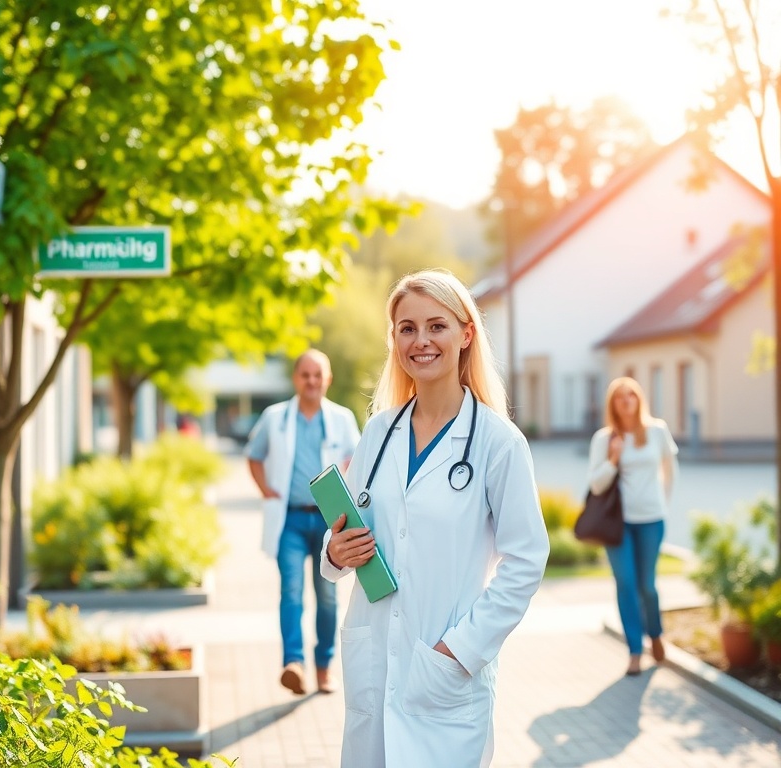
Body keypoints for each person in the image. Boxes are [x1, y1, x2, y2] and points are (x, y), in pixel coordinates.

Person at [321, 269, 549, 767]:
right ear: (395, 340)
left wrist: (460, 648)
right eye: (407, 328)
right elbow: (351, 529)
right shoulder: (379, 432)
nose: (420, 341)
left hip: (445, 673)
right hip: (376, 661)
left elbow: (526, 561)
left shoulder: (498, 443)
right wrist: (334, 552)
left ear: (466, 334)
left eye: (436, 326)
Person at [245, 349, 361, 695]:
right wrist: (267, 491)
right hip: (291, 520)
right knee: (291, 592)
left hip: (331, 522)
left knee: (327, 597)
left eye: (317, 375)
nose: (311, 381)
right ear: (296, 379)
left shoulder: (341, 418)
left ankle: (324, 668)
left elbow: (357, 460)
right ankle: (293, 664)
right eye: (305, 375)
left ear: (327, 380)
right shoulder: (275, 417)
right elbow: (254, 456)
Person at [587, 376, 678, 677]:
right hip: (618, 525)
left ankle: (656, 634)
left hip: (652, 520)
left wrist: (662, 503)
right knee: (626, 583)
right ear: (612, 403)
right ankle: (635, 651)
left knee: (647, 587)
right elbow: (597, 486)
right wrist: (614, 458)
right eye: (619, 396)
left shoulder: (657, 431)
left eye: (631, 395)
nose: (626, 400)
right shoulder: (604, 438)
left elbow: (670, 471)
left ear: (640, 399)